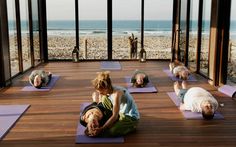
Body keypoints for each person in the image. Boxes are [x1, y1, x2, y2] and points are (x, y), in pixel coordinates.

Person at [89, 71, 140, 137]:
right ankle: (112, 121)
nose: (100, 94)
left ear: (106, 87)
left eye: (101, 92)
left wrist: (102, 128)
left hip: (130, 117)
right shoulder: (108, 90)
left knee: (111, 131)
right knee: (104, 98)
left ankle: (132, 126)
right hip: (120, 113)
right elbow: (100, 103)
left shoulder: (117, 93)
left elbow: (115, 116)